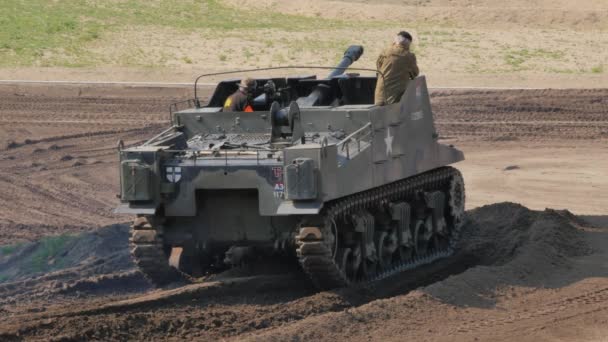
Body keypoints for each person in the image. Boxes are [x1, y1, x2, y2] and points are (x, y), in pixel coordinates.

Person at [374, 31, 420, 106]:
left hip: (380, 95)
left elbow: (379, 66)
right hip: (395, 98)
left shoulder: (385, 51)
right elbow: (415, 74)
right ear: (408, 43)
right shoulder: (409, 56)